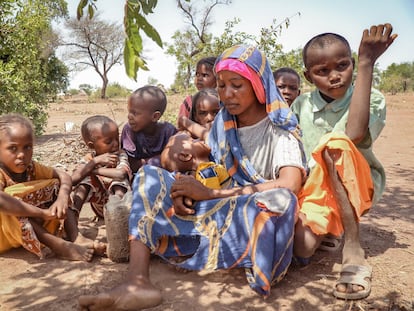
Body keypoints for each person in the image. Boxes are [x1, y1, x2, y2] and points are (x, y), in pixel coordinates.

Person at [78, 44, 307, 310]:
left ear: (257, 84)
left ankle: (245, 257)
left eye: (236, 85)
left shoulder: (280, 127)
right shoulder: (225, 122)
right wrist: (182, 176)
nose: (227, 94)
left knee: (280, 199)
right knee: (150, 176)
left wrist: (210, 194)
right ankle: (138, 281)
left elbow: (290, 184)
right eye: (221, 86)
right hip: (218, 209)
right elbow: (203, 152)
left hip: (249, 214)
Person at [291, 23, 397, 300]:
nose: (335, 76)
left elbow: (354, 133)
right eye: (322, 71)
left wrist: (366, 64)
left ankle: (353, 248)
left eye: (342, 66)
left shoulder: (370, 98)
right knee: (302, 247)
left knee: (334, 145)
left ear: (352, 63)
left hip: (357, 186)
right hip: (316, 188)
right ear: (308, 75)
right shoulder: (300, 105)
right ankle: (330, 225)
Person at [0, 113, 95, 262]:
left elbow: (64, 176)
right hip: (3, 236)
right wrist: (42, 213)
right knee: (10, 199)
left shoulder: (32, 167)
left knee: (57, 185)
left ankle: (75, 236)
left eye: (27, 147)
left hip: (25, 230)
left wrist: (63, 198)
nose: (21, 155)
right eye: (13, 148)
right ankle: (59, 246)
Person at [67, 115, 132, 253]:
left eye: (117, 138)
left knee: (119, 182)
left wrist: (94, 170)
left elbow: (120, 174)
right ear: (92, 145)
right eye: (109, 141)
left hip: (120, 204)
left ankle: (118, 216)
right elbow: (73, 180)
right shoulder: (89, 159)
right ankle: (72, 226)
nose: (115, 144)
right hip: (99, 206)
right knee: (84, 183)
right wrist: (94, 163)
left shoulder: (120, 155)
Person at [121, 85, 177, 174]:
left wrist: (146, 162)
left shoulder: (168, 131)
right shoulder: (129, 130)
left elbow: (174, 160)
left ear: (155, 116)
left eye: (135, 113)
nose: (129, 116)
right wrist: (159, 159)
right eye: (129, 111)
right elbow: (130, 164)